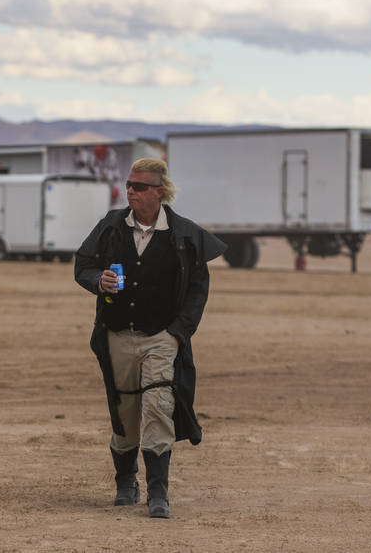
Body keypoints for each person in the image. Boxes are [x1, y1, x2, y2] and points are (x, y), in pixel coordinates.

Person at [74, 158, 226, 519]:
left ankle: (159, 491)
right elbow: (83, 264)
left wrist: (178, 333)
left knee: (159, 407)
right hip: (116, 336)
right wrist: (98, 280)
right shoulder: (111, 226)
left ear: (160, 191)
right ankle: (126, 481)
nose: (130, 191)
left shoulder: (185, 235)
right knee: (125, 415)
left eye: (139, 186)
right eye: (128, 185)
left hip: (161, 337)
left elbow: (197, 290)